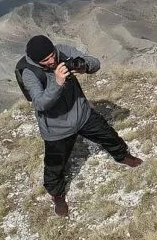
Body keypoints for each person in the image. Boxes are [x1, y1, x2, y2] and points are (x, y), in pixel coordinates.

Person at [15, 34, 142, 217]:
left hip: (81, 113)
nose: (51, 60)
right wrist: (57, 83)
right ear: (36, 61)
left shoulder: (62, 51)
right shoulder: (30, 73)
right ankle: (57, 194)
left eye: (52, 55)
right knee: (54, 165)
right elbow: (40, 104)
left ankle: (122, 156)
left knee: (108, 135)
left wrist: (83, 65)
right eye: (45, 60)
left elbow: (95, 63)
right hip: (56, 128)